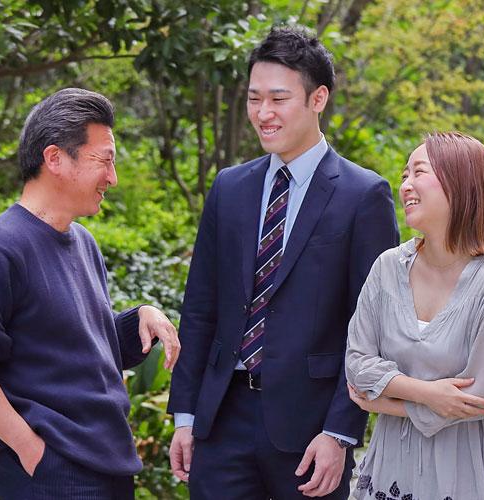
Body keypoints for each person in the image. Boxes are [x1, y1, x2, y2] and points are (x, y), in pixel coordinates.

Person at [166, 26, 399, 499]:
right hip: (221, 420)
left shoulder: (363, 195)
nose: (263, 113)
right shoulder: (229, 188)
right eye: (254, 99)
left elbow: (371, 326)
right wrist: (186, 416)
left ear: (318, 98)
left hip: (311, 428)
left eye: (278, 98)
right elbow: (200, 308)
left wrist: (340, 432)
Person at [0, 88, 181, 499]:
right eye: (104, 160)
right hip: (52, 474)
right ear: (54, 158)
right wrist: (28, 448)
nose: (113, 178)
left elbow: (77, 346)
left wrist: (140, 316)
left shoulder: (82, 241)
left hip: (109, 464)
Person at [345, 131, 484, 499]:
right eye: (404, 175)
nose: (406, 185)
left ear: (461, 184)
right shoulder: (387, 266)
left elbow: (479, 399)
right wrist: (428, 393)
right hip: (393, 459)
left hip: (470, 463)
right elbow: (357, 364)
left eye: (419, 172)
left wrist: (385, 402)